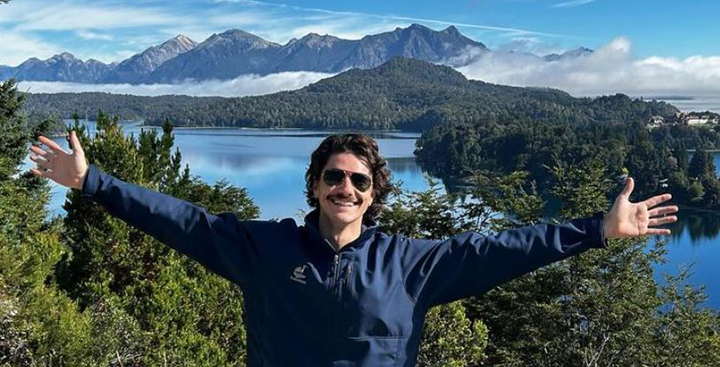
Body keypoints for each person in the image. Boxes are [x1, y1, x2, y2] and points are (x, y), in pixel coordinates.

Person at [29, 132, 678, 367]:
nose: (345, 186)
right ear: (315, 185)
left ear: (373, 195)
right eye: (334, 176)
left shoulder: (414, 264)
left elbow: (506, 247)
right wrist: (91, 181)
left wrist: (596, 229)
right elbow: (182, 221)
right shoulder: (264, 246)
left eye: (358, 180)